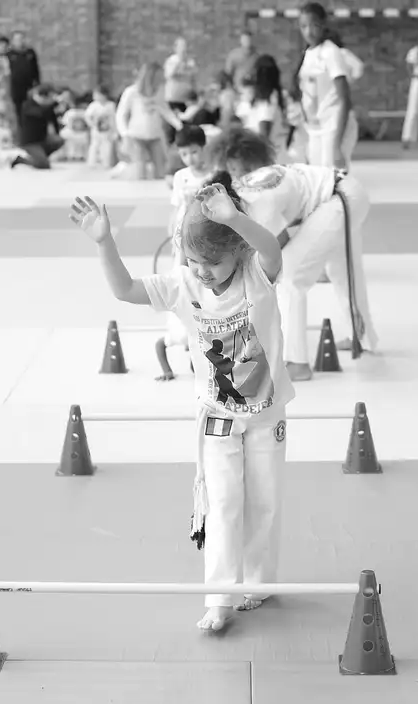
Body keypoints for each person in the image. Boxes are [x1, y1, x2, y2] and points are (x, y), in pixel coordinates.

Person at [68, 174, 292, 635]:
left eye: (213, 260)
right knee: (224, 502)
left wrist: (235, 218)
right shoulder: (183, 285)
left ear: (240, 251)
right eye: (194, 260)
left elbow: (271, 250)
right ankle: (218, 598)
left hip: (267, 413)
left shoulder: (257, 274)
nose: (203, 270)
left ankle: (258, 582)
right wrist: (104, 241)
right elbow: (125, 289)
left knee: (265, 500)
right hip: (218, 417)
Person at [212, 127, 377, 381]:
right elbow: (282, 236)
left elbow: (270, 246)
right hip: (344, 194)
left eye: (234, 165)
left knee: (290, 277)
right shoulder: (263, 177)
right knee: (342, 269)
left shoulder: (256, 193)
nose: (232, 171)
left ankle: (296, 361)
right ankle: (362, 337)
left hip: (338, 200)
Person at [156, 125, 214, 381]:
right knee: (183, 278)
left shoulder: (214, 173)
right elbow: (176, 207)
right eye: (184, 154)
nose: (190, 158)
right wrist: (171, 232)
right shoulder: (181, 177)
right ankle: (185, 320)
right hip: (183, 237)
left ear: (204, 149)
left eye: (194, 152)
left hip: (207, 236)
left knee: (205, 280)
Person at [292, 2, 360, 171]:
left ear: (324, 24)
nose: (309, 31)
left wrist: (336, 144)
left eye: (314, 25)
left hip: (334, 126)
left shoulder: (331, 52)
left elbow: (344, 99)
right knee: (316, 179)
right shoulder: (308, 54)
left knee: (333, 179)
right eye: (304, 26)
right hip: (315, 127)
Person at [116, 62, 184, 180]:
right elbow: (120, 115)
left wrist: (180, 126)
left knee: (160, 170)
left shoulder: (160, 91)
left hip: (155, 136)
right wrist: (124, 134)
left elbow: (165, 110)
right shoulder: (132, 92)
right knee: (140, 169)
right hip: (136, 136)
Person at [236, 55, 292, 162]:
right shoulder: (274, 96)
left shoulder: (268, 100)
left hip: (268, 157)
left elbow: (264, 133)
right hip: (274, 152)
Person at [7, 31, 41, 131]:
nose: (20, 41)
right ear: (13, 41)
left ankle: (29, 131)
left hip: (29, 87)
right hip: (15, 87)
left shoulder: (30, 53)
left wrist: (37, 85)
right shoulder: (9, 55)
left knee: (29, 109)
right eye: (17, 39)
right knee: (16, 110)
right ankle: (18, 131)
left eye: (22, 39)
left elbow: (36, 70)